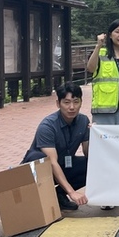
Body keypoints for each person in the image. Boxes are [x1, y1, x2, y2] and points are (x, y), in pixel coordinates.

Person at [22, 82, 90, 211]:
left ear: (81, 102)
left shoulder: (83, 121)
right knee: (40, 158)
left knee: (91, 164)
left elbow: (88, 153)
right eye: (66, 102)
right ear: (58, 104)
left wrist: (97, 136)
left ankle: (59, 195)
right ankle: (41, 199)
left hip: (63, 164)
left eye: (76, 102)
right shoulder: (47, 126)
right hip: (39, 169)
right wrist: (72, 192)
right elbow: (52, 162)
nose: (72, 107)